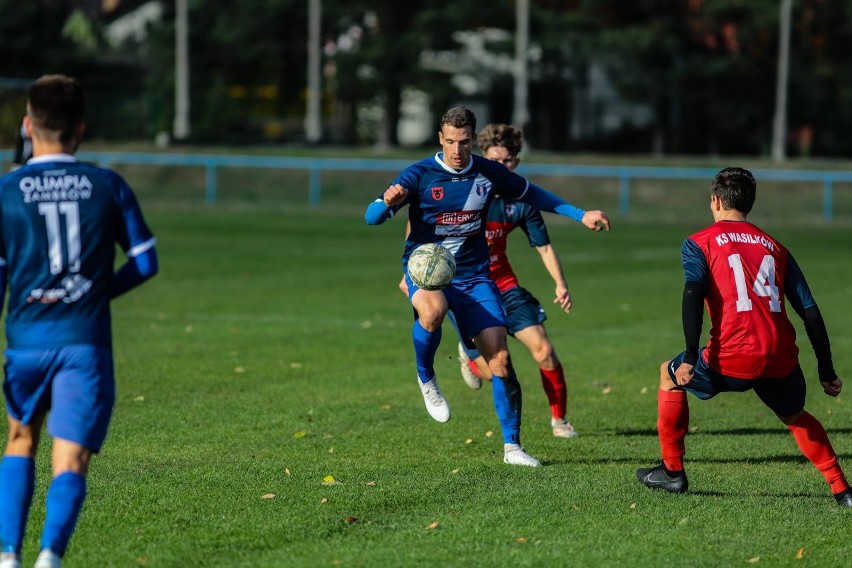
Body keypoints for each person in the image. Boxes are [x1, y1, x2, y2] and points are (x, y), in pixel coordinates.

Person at [366, 106, 609, 467]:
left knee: (501, 359)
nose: (457, 150)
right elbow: (372, 218)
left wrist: (581, 214)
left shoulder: (489, 172)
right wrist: (387, 202)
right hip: (428, 271)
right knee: (432, 312)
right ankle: (426, 377)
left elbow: (535, 195)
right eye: (450, 142)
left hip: (474, 275)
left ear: (473, 139)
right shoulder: (418, 174)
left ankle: (513, 448)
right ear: (440, 138)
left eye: (464, 142)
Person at [0, 75, 159, 568]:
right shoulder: (107, 184)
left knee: (20, 439)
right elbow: (145, 261)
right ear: (81, 130)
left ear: (29, 125)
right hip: (83, 343)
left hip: (25, 341)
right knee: (70, 459)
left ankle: (7, 557)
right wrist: (94, 292)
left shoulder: (7, 189)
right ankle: (50, 557)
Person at [636, 167, 852, 507]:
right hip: (779, 356)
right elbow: (809, 310)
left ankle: (672, 472)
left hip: (732, 355)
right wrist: (826, 370)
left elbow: (693, 292)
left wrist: (691, 355)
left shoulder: (700, 242)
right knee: (795, 416)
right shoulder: (777, 248)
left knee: (668, 374)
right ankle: (843, 490)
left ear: (717, 201)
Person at [405, 123, 578, 438]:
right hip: (466, 288)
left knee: (544, 351)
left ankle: (559, 420)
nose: (501, 167)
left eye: (507, 162)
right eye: (494, 161)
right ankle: (471, 361)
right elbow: (420, 226)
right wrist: (412, 275)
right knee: (495, 365)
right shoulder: (461, 188)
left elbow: (544, 247)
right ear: (482, 156)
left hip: (505, 286)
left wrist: (560, 284)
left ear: (516, 164)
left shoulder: (520, 202)